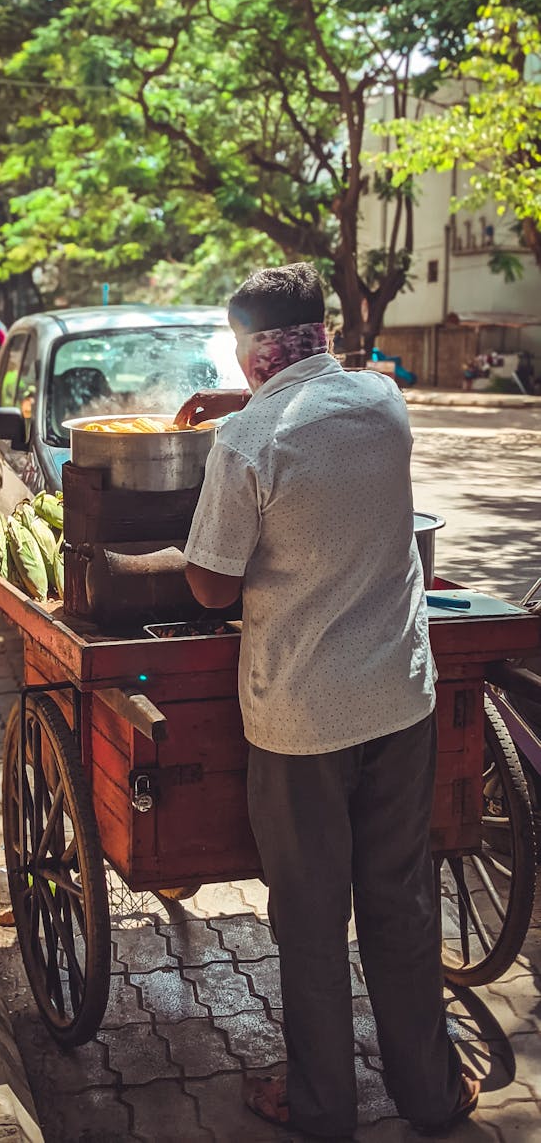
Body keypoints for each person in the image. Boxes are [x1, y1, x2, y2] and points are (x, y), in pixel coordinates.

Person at [178, 264, 479, 1140]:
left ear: (253, 352)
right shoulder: (385, 404)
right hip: (398, 697)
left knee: (310, 918)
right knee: (401, 899)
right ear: (318, 333)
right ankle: (428, 1091)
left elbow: (207, 586)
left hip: (302, 719)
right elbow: (319, 407)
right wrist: (239, 406)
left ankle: (322, 1105)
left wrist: (232, 430)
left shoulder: (249, 444)